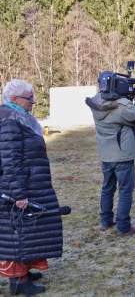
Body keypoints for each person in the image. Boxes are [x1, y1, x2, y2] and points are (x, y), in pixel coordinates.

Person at [0, 79, 63, 295]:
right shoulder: (9, 120)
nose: (33, 101)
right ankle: (18, 282)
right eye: (30, 98)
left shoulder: (18, 117)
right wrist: (19, 193)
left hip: (32, 183)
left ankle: (25, 270)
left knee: (31, 230)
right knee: (16, 233)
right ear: (15, 99)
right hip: (18, 188)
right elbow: (10, 160)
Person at [86, 72, 135, 236]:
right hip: (122, 155)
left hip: (106, 154)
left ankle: (106, 221)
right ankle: (123, 226)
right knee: (125, 190)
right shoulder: (121, 108)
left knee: (107, 188)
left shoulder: (97, 102)